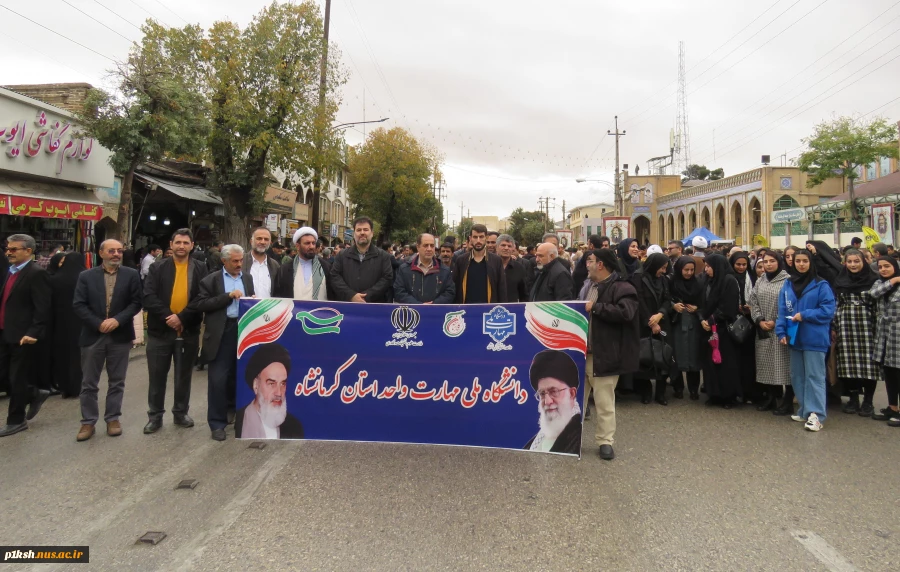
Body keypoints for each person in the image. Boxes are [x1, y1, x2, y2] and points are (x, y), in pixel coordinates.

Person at [71, 240, 142, 441]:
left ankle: (113, 418)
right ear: (101, 253)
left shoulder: (131, 275)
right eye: (111, 251)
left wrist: (117, 320)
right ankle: (88, 422)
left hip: (120, 335)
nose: (116, 254)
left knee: (117, 381)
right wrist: (98, 323)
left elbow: (136, 302)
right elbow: (78, 304)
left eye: (119, 251)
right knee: (89, 383)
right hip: (93, 335)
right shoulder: (86, 276)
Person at [142, 228, 207, 434]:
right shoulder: (158, 267)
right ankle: (155, 416)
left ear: (192, 246)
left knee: (183, 376)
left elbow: (202, 296)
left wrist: (182, 317)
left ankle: (180, 413)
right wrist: (169, 317)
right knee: (157, 376)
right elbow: (149, 296)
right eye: (178, 242)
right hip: (160, 331)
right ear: (171, 244)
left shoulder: (200, 267)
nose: (181, 246)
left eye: (186, 243)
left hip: (188, 330)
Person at [192, 245, 255, 441]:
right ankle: (217, 423)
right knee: (218, 379)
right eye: (235, 261)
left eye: (241, 260)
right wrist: (227, 297)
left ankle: (237, 415)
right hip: (222, 332)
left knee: (240, 376)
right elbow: (201, 304)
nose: (239, 264)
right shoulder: (211, 280)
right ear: (224, 261)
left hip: (243, 330)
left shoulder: (247, 278)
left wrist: (252, 301)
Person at [582, 248, 640, 460]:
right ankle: (569, 439)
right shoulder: (588, 286)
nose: (587, 265)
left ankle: (605, 441)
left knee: (604, 402)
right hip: (581, 353)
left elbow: (626, 313)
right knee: (575, 401)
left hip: (605, 354)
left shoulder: (623, 288)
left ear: (600, 265)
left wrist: (597, 308)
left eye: (590, 261)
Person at [776, 249, 836, 431]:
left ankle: (816, 414)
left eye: (805, 261)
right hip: (794, 338)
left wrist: (805, 315)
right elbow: (782, 310)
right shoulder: (788, 284)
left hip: (814, 338)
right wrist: (781, 331)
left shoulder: (821, 284)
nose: (801, 264)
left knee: (814, 377)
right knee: (798, 376)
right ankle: (804, 410)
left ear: (811, 263)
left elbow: (828, 311)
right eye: (798, 261)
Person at [0, 234, 52, 437]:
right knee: (5, 375)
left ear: (28, 251)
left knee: (17, 378)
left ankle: (16, 420)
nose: (8, 252)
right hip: (5, 331)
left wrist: (33, 332)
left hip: (23, 335)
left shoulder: (36, 273)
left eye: (14, 249)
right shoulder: (11, 271)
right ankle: (34, 392)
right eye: (8, 249)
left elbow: (43, 307)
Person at [833, 249, 880, 416]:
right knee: (848, 365)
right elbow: (836, 304)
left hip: (868, 328)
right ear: (845, 263)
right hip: (845, 328)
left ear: (863, 262)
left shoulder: (874, 280)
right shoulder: (840, 280)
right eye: (850, 261)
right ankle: (853, 399)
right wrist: (833, 326)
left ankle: (868, 401)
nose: (853, 264)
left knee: (870, 366)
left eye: (856, 261)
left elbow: (878, 306)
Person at [749, 252, 793, 413]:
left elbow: (790, 304)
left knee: (785, 367)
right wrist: (759, 319)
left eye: (772, 261)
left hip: (781, 329)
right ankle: (772, 398)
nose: (768, 264)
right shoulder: (761, 280)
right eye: (765, 261)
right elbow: (753, 301)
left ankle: (788, 401)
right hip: (763, 328)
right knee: (766, 365)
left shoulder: (788, 280)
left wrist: (776, 321)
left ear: (779, 262)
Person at [235, 343, 304, 439]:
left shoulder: (294, 427)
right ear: (256, 385)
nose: (279, 393)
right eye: (271, 384)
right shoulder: (240, 419)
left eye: (282, 384)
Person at [700, 254, 742, 408]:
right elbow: (702, 302)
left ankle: (728, 396)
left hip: (723, 328)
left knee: (725, 363)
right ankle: (714, 394)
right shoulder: (707, 280)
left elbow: (728, 306)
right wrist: (702, 319)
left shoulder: (729, 280)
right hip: (708, 328)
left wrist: (712, 319)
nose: (706, 270)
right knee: (710, 362)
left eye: (709, 266)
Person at [632, 253, 674, 405]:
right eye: (661, 268)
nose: (663, 271)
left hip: (662, 321)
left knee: (663, 355)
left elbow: (667, 299)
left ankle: (661, 393)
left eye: (665, 268)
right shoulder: (638, 277)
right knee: (645, 356)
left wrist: (661, 314)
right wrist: (651, 322)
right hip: (645, 323)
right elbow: (639, 301)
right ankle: (646, 391)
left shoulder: (663, 279)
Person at [523, 350, 582, 455]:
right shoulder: (536, 440)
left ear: (571, 394)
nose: (547, 401)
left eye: (554, 391)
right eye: (542, 394)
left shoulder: (577, 437)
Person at [330, 217, 394, 303]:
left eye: (366, 230)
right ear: (354, 233)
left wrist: (366, 297)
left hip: (374, 306)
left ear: (372, 233)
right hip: (347, 305)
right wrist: (351, 295)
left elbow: (387, 279)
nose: (362, 233)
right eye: (359, 230)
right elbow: (334, 277)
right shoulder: (342, 255)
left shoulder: (383, 256)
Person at [50, 251, 86, 399]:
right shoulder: (85, 278)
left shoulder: (55, 279)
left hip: (59, 322)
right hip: (81, 321)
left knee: (62, 354)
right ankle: (77, 386)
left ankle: (64, 387)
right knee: (78, 355)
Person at [869, 256, 900, 425]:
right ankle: (892, 407)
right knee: (889, 373)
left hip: (898, 333)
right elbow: (873, 294)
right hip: (885, 335)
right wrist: (893, 280)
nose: (883, 269)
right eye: (880, 267)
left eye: (887, 266)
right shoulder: (879, 283)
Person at [670, 256, 704, 399]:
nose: (689, 273)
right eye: (686, 270)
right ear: (679, 269)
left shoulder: (698, 283)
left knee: (693, 355)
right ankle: (678, 387)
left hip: (694, 324)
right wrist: (673, 305)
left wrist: (697, 308)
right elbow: (665, 298)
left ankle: (693, 389)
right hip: (677, 323)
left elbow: (704, 301)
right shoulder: (672, 282)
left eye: (692, 270)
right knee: (676, 355)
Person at [730, 252, 760, 404]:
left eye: (744, 264)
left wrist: (750, 308)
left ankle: (749, 392)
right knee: (735, 360)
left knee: (749, 360)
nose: (741, 267)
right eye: (738, 264)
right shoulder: (729, 278)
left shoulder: (753, 278)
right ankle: (736, 391)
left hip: (750, 322)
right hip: (733, 322)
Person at [273, 227, 334, 300]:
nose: (311, 246)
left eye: (313, 243)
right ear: (298, 246)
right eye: (307, 243)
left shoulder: (325, 267)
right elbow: (278, 296)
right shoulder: (285, 269)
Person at [452, 224, 508, 304]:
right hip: (466, 308)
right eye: (475, 237)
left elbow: (502, 289)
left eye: (481, 237)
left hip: (489, 309)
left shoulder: (496, 261)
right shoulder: (461, 260)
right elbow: (454, 287)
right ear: (470, 239)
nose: (478, 240)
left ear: (486, 238)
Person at [393, 233, 455, 304]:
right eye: (425, 245)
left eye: (432, 246)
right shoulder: (405, 269)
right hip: (413, 310)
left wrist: (434, 305)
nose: (429, 249)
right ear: (418, 247)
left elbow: (450, 293)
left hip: (436, 310)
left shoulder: (444, 271)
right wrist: (419, 305)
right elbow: (399, 292)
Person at [245, 227, 280, 299]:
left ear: (270, 243)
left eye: (266, 239)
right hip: (246, 306)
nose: (263, 242)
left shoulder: (275, 265)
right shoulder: (241, 262)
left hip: (269, 306)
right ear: (251, 241)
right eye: (259, 238)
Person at [496, 234, 529, 302]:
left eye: (509, 246)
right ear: (496, 247)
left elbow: (524, 293)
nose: (506, 248)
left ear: (513, 249)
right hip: (491, 307)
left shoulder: (520, 268)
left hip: (512, 307)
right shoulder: (489, 266)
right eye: (503, 245)